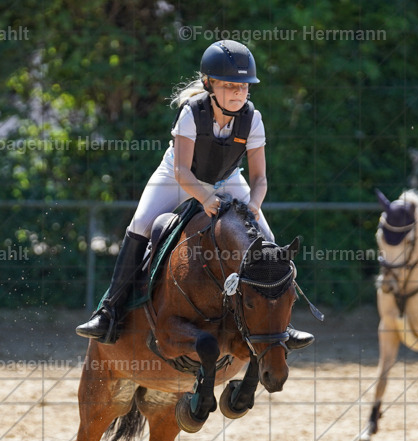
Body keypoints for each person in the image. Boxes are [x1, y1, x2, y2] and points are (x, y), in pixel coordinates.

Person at [76, 40, 312, 349]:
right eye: (230, 85)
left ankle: (285, 324)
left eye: (244, 86)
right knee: (141, 223)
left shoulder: (253, 118)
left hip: (228, 179)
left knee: (268, 243)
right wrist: (204, 198)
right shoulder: (192, 113)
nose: (239, 92)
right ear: (209, 84)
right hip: (177, 177)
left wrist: (254, 204)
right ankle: (109, 312)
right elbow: (182, 173)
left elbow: (260, 177)